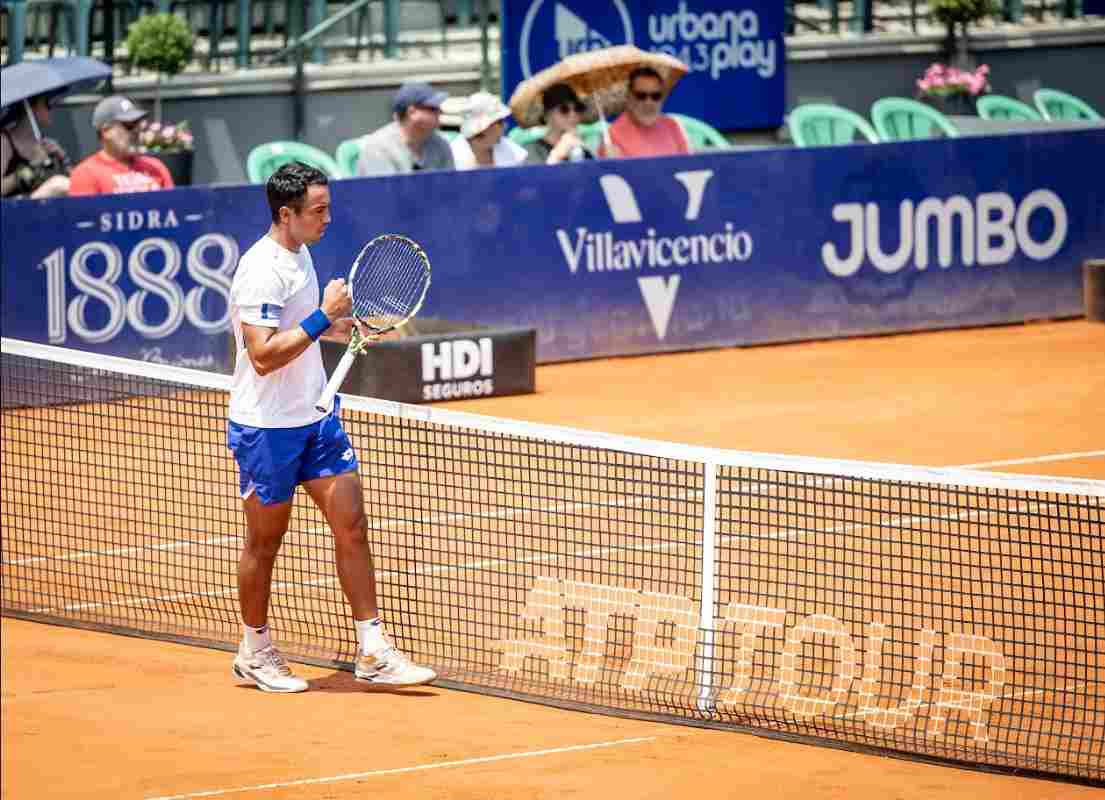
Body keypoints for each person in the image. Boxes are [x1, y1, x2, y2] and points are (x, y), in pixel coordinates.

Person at [227, 160, 436, 693]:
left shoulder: (303, 254)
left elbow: (303, 330)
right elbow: (263, 356)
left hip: (317, 418)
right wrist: (323, 316)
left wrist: (343, 324)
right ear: (285, 214)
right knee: (265, 544)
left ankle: (372, 649)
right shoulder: (262, 268)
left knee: (352, 526)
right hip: (267, 428)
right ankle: (254, 650)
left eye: (328, 208)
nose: (327, 219)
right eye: (317, 211)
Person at [68, 95, 173, 196]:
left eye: (138, 124)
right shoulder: (86, 174)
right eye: (129, 125)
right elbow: (85, 213)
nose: (137, 130)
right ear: (106, 131)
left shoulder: (156, 167)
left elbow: (174, 208)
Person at [356, 82, 455, 176]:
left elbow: (451, 188)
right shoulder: (378, 148)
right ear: (412, 112)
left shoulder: (440, 145)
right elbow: (384, 192)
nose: (440, 112)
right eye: (432, 109)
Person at [601, 67, 690, 159]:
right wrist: (611, 164)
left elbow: (688, 167)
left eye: (655, 96)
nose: (649, 102)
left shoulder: (672, 126)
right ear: (629, 97)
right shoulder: (612, 136)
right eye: (641, 96)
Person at [0, 93, 72, 200]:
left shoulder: (46, 144)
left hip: (48, 210)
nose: (50, 108)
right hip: (15, 210)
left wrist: (62, 159)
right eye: (46, 104)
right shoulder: (5, 142)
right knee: (59, 185)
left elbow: (74, 183)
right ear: (30, 108)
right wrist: (31, 168)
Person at [522, 83, 596, 166]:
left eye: (578, 108)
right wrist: (558, 155)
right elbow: (536, 178)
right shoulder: (530, 150)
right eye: (564, 109)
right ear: (547, 116)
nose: (573, 114)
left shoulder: (583, 151)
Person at [450, 91, 527, 170]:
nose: (504, 126)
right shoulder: (452, 155)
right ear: (484, 128)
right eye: (500, 122)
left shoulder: (512, 151)